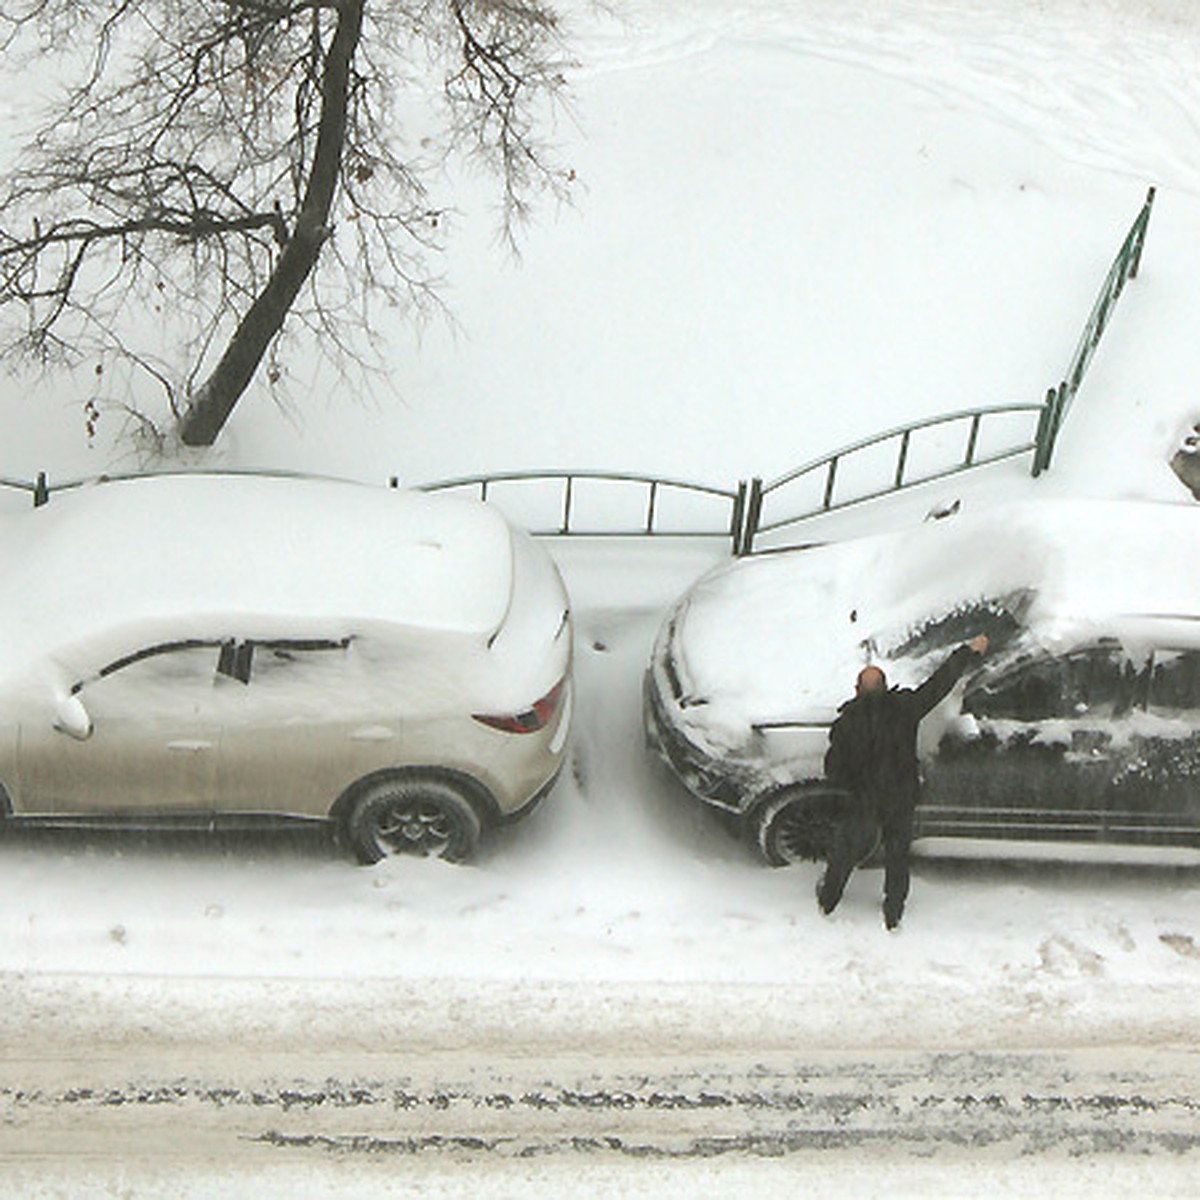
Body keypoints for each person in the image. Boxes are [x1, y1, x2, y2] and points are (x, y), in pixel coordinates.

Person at [819, 634, 989, 929]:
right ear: (885, 687)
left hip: (863, 800)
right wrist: (967, 652)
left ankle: (829, 897)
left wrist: (843, 794)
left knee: (846, 850)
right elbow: (939, 684)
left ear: (857, 690)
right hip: (900, 795)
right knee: (898, 856)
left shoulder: (846, 723)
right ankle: (893, 910)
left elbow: (834, 768)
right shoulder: (905, 708)